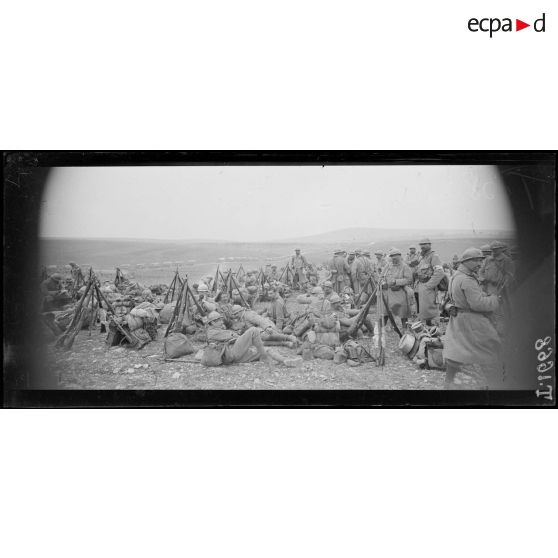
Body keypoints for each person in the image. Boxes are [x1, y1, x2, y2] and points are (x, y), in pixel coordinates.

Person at [442, 248, 503, 389]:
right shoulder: (467, 280)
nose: (480, 264)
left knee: (456, 351)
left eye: (481, 260)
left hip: (458, 320)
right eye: (477, 260)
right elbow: (478, 304)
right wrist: (495, 299)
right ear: (467, 261)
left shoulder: (456, 276)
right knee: (489, 348)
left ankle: (449, 382)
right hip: (471, 321)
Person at [204, 312, 300, 367]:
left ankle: (285, 361)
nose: (221, 322)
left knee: (267, 350)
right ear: (212, 323)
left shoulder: (216, 330)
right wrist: (245, 337)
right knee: (253, 330)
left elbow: (233, 336)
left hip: (233, 356)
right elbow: (233, 336)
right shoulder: (212, 332)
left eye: (220, 319)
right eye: (218, 320)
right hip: (231, 353)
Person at [477, 240, 515, 339]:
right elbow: (481, 271)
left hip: (498, 288)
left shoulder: (506, 260)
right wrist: (482, 278)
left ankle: (500, 333)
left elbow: (509, 275)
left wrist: (503, 287)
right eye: (492, 249)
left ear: (501, 249)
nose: (494, 251)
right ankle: (489, 332)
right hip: (486, 287)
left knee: (498, 311)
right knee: (486, 309)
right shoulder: (488, 260)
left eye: (496, 249)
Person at [380, 248, 413, 330]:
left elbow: (409, 280)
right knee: (385, 311)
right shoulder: (388, 266)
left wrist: (396, 281)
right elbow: (381, 277)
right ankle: (381, 329)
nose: (394, 258)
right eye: (392, 256)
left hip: (400, 291)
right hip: (388, 292)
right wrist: (383, 282)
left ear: (400, 256)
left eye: (395, 256)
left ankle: (405, 328)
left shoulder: (405, 266)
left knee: (403, 310)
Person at [414, 238, 444, 326]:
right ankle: (425, 330)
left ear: (429, 245)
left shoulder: (434, 256)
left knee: (431, 311)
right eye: (421, 245)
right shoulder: (422, 257)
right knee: (422, 311)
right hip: (420, 286)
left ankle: (434, 330)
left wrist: (428, 286)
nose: (422, 246)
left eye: (425, 244)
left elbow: (440, 272)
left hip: (429, 288)